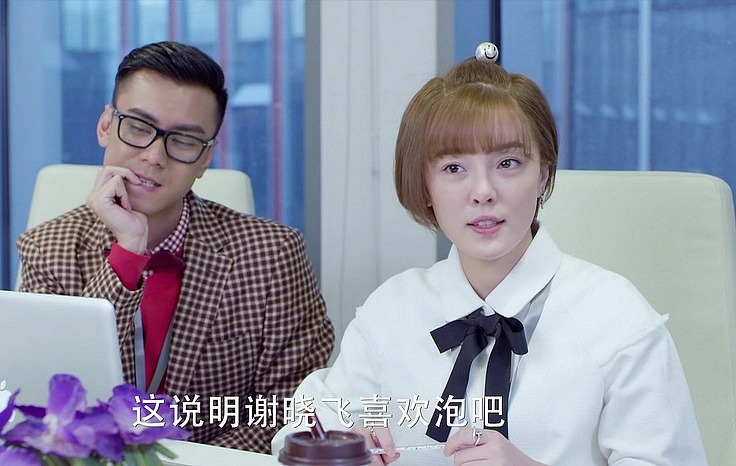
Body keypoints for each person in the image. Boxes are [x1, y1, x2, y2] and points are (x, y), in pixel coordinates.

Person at [271, 47, 707, 465]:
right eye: (453, 168)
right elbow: (303, 428)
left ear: (544, 174)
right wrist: (342, 449)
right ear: (425, 187)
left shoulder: (617, 318)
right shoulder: (392, 310)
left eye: (508, 163)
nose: (482, 192)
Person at [17, 41, 334, 454]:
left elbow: (292, 407)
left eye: (183, 140)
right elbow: (53, 395)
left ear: (205, 158)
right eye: (138, 126)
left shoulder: (273, 255)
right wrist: (127, 252)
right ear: (105, 126)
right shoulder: (46, 250)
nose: (154, 156)